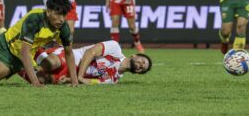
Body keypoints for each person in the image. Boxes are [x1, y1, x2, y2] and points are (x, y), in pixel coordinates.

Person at [21, 40, 152, 85]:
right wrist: (78, 77)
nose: (141, 65)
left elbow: (92, 82)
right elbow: (91, 52)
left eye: (143, 68)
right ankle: (26, 45)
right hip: (73, 57)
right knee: (50, 64)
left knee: (40, 79)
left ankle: (15, 64)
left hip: (71, 75)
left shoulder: (113, 79)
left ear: (138, 73)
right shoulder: (115, 48)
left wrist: (69, 80)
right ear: (134, 55)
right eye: (142, 61)